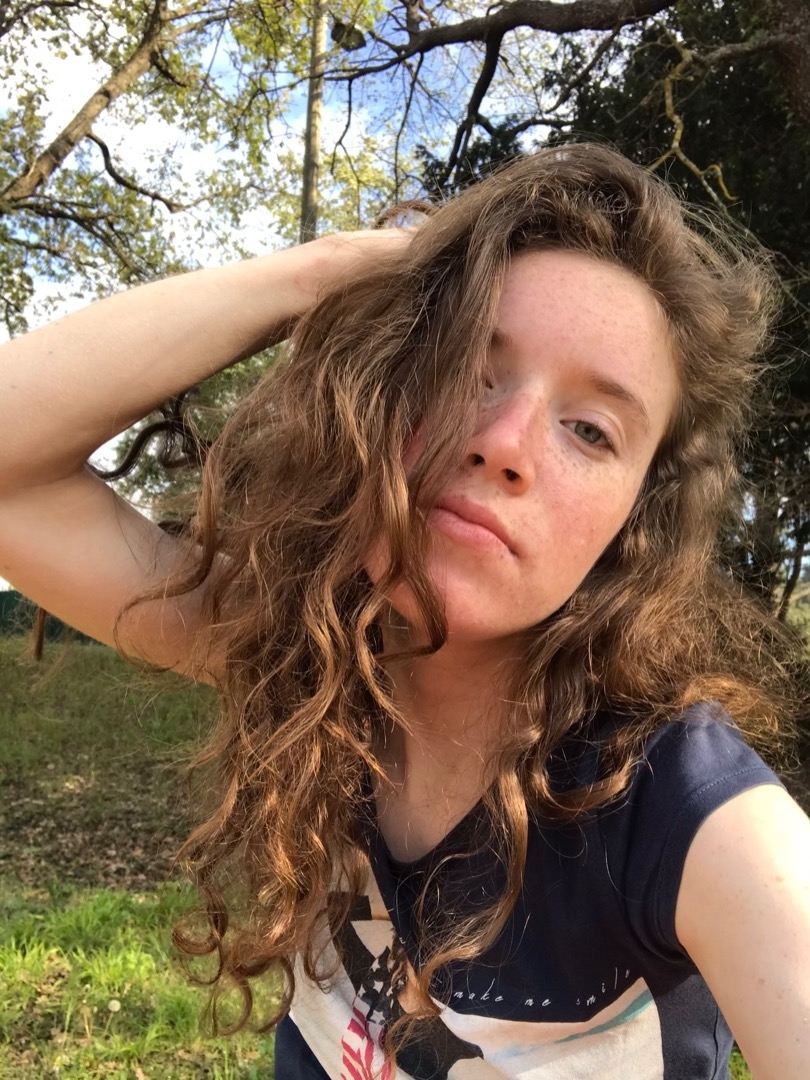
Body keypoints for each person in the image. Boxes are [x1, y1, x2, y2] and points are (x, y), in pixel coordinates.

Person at [0, 144, 808, 1080]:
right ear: (383, 392)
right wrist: (326, 273)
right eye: (465, 368)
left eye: (590, 430)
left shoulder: (687, 810)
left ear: (634, 520)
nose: (504, 443)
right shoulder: (308, 655)